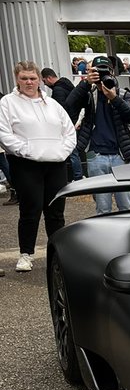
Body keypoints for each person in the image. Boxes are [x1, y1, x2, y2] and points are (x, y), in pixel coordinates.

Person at [0, 60, 76, 272]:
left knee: (56, 212)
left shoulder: (52, 104)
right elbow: (4, 135)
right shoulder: (7, 103)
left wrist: (62, 152)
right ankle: (26, 254)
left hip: (55, 164)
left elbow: (69, 131)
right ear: (17, 79)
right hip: (26, 165)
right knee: (30, 210)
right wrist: (28, 151)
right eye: (24, 78)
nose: (29, 82)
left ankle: (57, 253)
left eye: (32, 78)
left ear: (39, 80)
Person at [63, 55, 130, 214]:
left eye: (105, 70)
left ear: (112, 72)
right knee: (103, 208)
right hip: (95, 156)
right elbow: (69, 107)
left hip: (120, 156)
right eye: (97, 71)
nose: (101, 74)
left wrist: (114, 98)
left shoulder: (122, 94)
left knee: (126, 207)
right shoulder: (89, 94)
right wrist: (85, 82)